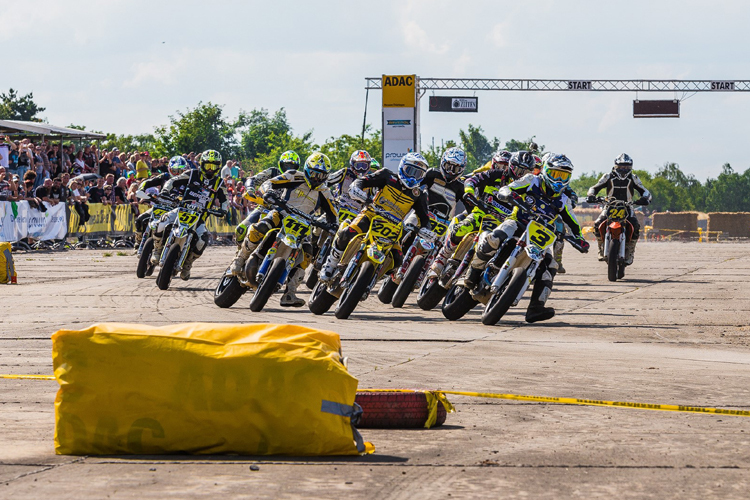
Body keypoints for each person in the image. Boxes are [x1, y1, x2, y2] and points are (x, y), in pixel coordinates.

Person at [469, 154, 589, 323]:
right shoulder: (531, 180)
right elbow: (508, 188)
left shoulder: (563, 200)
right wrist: (509, 194)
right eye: (555, 174)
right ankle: (472, 275)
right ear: (546, 171)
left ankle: (535, 308)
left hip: (540, 236)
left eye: (564, 176)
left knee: (551, 266)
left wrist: (580, 239)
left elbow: (574, 224)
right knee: (495, 238)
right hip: (517, 222)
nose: (559, 180)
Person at [229, 152, 337, 307]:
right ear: (306, 169)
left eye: (321, 176)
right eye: (313, 173)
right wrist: (269, 193)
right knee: (261, 226)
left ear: (326, 177)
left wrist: (334, 225)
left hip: (305, 225)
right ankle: (239, 260)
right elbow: (269, 183)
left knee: (308, 255)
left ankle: (290, 293)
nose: (315, 178)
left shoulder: (325, 192)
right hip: (282, 212)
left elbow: (333, 214)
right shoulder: (294, 175)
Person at [319, 152, 431, 283]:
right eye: (410, 171)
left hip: (394, 227)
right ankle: (330, 265)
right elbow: (363, 181)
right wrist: (357, 189)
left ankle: (375, 276)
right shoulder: (387, 175)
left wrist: (426, 230)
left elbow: (425, 218)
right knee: (347, 233)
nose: (413, 177)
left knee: (397, 259)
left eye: (418, 174)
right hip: (372, 214)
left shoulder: (419, 194)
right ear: (402, 167)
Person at [429, 150, 524, 276]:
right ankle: (442, 257)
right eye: (499, 166)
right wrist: (468, 190)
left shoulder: (522, 187)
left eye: (505, 166)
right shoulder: (492, 173)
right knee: (460, 227)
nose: (503, 169)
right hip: (479, 211)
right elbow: (472, 179)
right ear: (493, 164)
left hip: (501, 222)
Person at [150, 150, 228, 280]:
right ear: (202, 164)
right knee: (161, 222)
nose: (210, 169)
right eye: (207, 166)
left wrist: (223, 210)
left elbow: (225, 200)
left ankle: (187, 264)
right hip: (181, 209)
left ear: (218, 167)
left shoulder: (219, 183)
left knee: (203, 241)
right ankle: (157, 250)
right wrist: (165, 191)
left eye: (213, 167)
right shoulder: (191, 174)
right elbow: (173, 181)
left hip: (200, 218)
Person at [586, 153, 651, 264]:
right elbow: (594, 188)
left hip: (628, 207)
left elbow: (645, 191)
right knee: (597, 224)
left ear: (631, 167)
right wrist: (591, 195)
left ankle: (630, 251)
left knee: (635, 226)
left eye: (626, 167)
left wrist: (645, 198)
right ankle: (601, 247)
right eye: (621, 167)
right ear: (616, 166)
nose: (624, 169)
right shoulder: (607, 176)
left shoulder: (633, 178)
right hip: (609, 206)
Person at [234, 150, 300, 244]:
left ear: (297, 167)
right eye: (286, 165)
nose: (288, 168)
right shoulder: (273, 171)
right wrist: (250, 189)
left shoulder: (298, 179)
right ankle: (239, 252)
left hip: (285, 213)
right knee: (240, 230)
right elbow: (253, 179)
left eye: (292, 166)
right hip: (265, 206)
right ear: (280, 164)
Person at [134, 156, 188, 245]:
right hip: (160, 206)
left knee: (171, 228)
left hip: (175, 209)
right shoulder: (165, 176)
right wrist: (142, 189)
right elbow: (148, 182)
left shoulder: (187, 181)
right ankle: (138, 240)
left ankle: (166, 246)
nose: (177, 173)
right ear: (170, 169)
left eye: (180, 170)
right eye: (175, 170)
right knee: (140, 219)